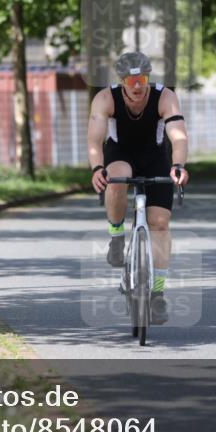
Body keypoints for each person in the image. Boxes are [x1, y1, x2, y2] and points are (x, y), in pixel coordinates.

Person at [87, 51, 189, 324]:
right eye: (130, 81)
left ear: (148, 78)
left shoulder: (164, 97)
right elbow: (95, 142)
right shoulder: (105, 99)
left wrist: (178, 165)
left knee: (160, 223)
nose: (136, 87)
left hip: (155, 158)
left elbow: (178, 136)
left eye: (141, 79)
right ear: (121, 82)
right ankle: (117, 236)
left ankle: (156, 295)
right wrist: (98, 169)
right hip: (120, 155)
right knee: (117, 177)